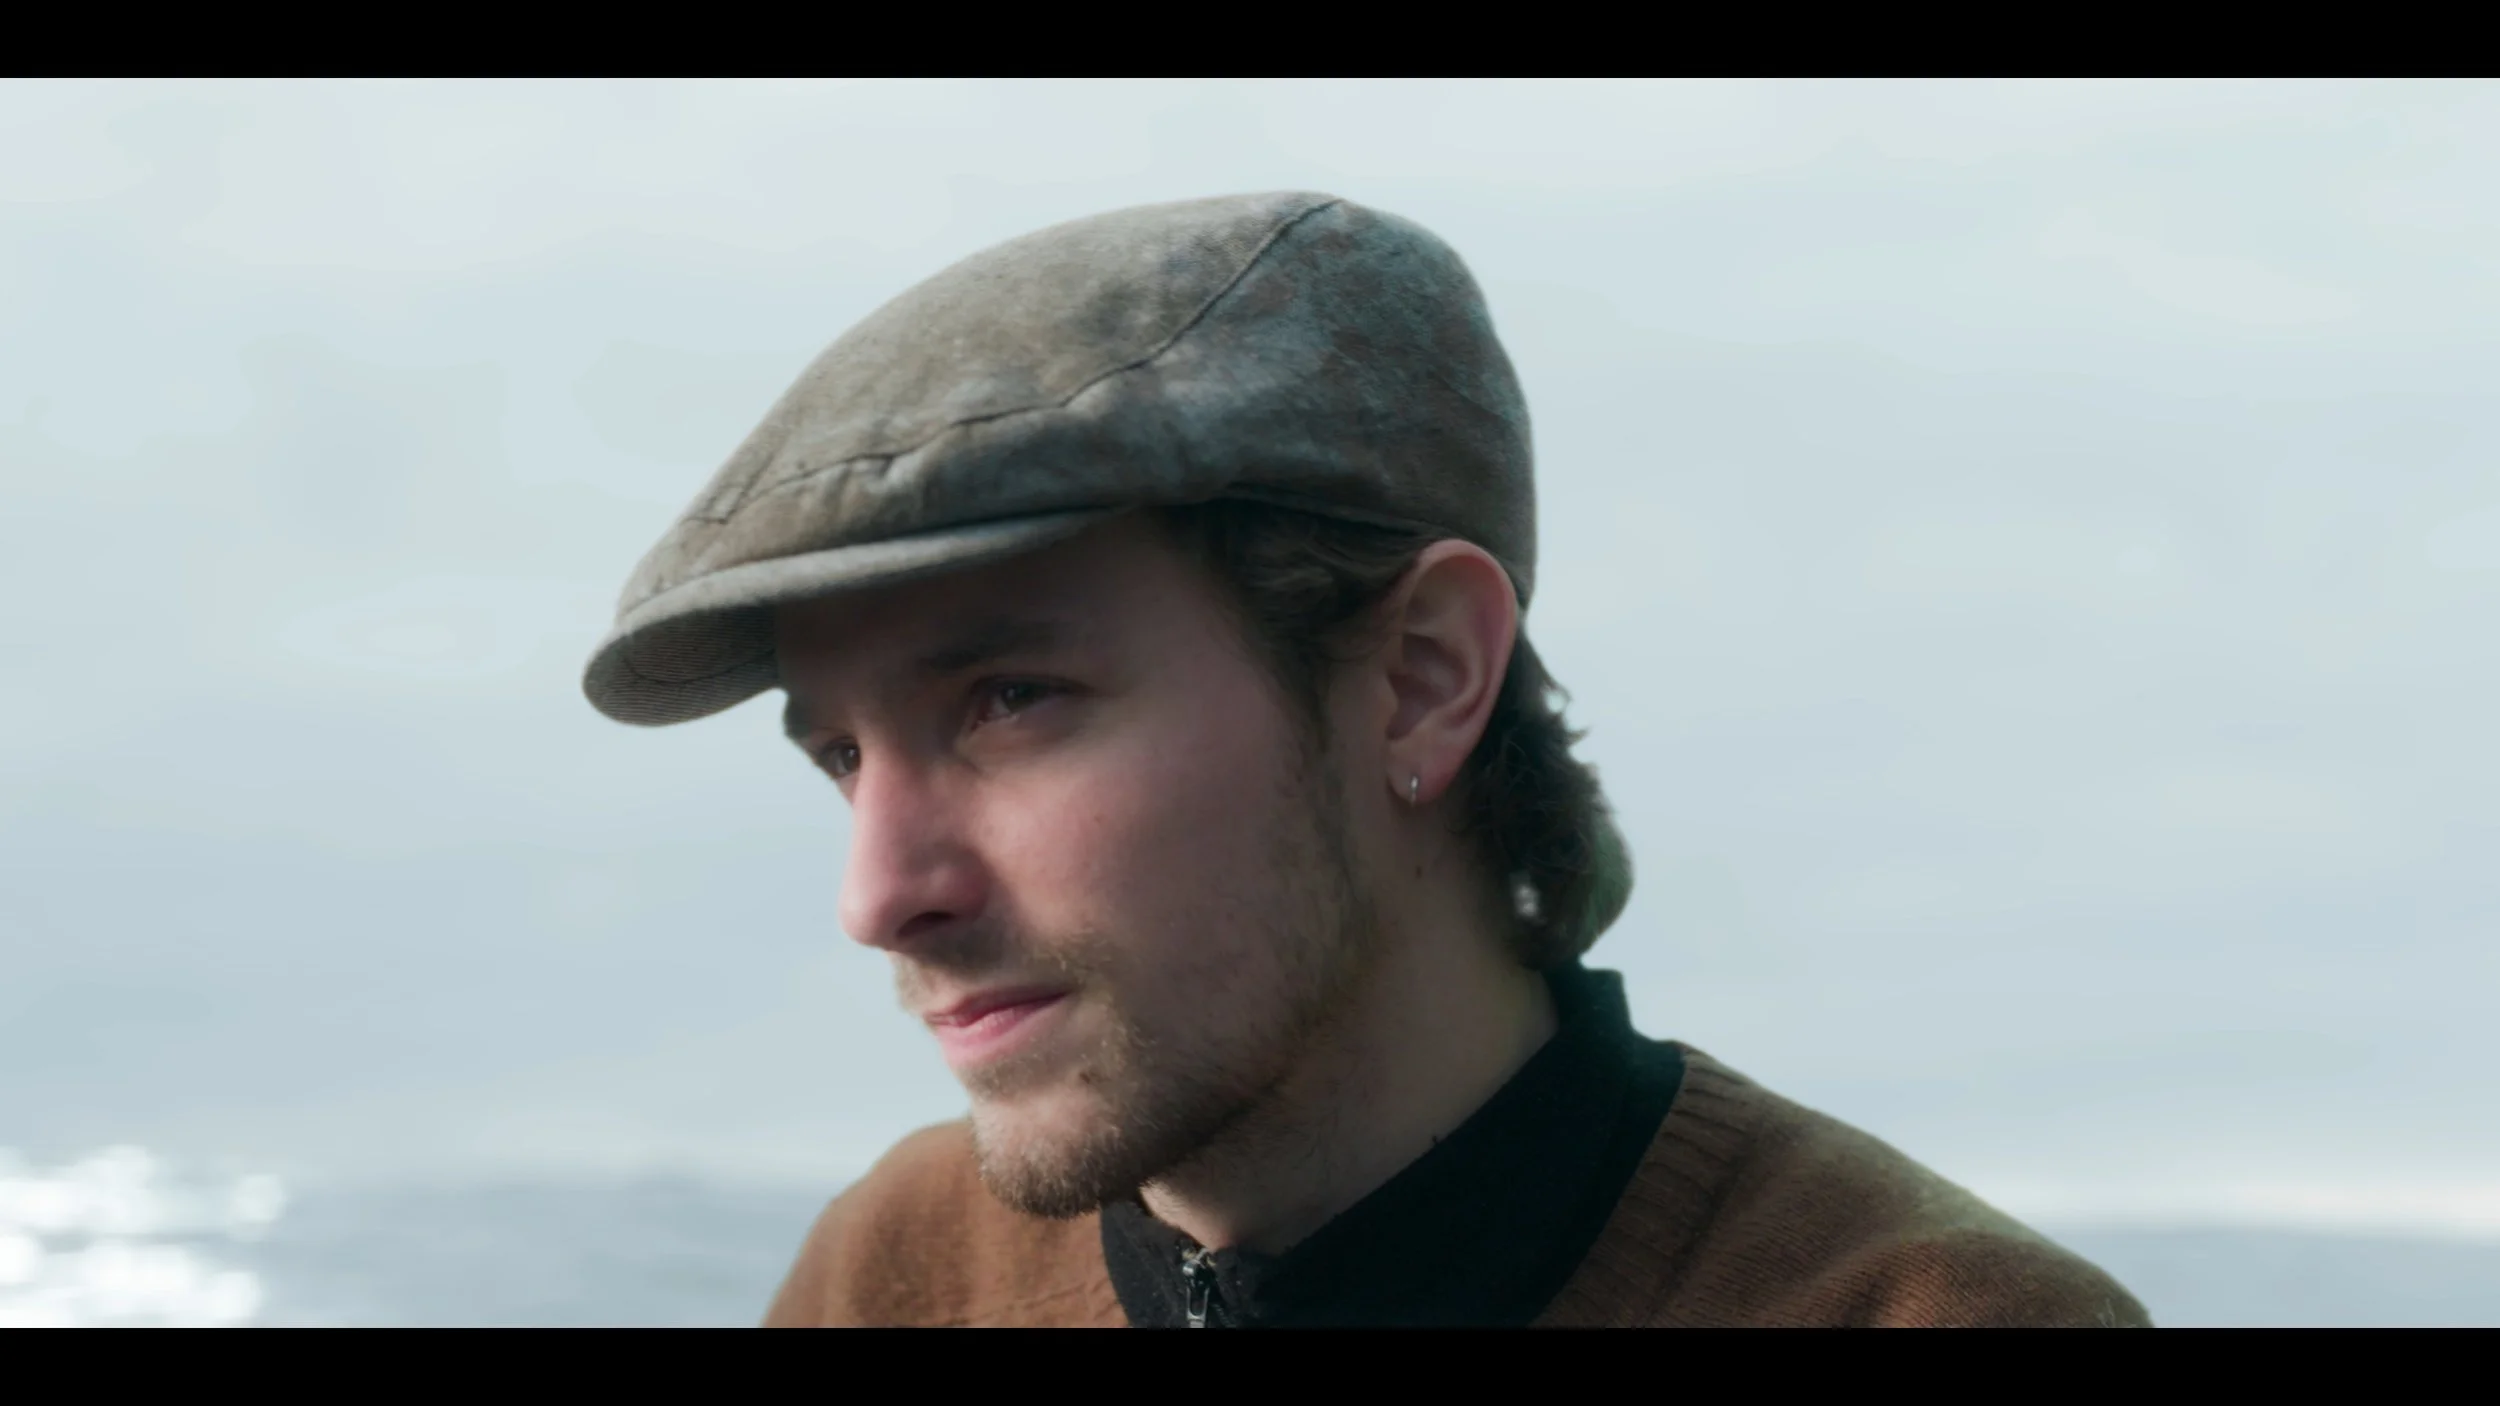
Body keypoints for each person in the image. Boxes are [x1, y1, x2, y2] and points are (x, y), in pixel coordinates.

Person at [582, 192, 2151, 1328]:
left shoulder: (1926, 1313)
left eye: (1008, 700)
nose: (879, 894)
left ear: (1418, 679)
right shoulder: (897, 1274)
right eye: (845, 758)